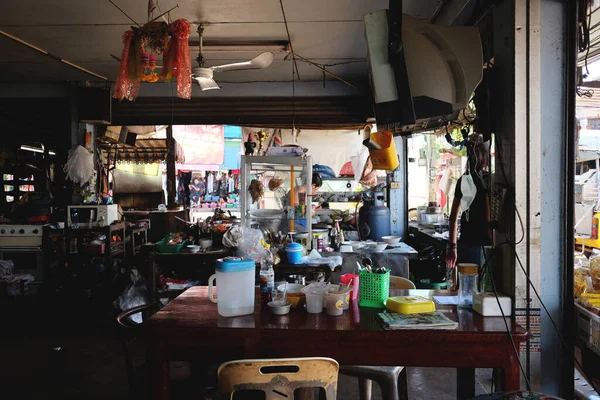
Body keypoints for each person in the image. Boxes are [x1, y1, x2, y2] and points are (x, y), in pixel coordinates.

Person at [446, 134, 491, 271]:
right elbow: (489, 217)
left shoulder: (463, 180)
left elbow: (453, 218)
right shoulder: (488, 181)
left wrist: (452, 247)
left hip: (466, 243)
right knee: (483, 289)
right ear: (485, 158)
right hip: (484, 245)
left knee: (466, 288)